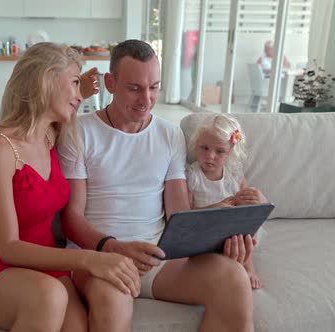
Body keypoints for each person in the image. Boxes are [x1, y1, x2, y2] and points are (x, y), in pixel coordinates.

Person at [59, 39, 255, 331]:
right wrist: (114, 248)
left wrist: (219, 237)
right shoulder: (80, 131)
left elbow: (179, 213)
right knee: (113, 303)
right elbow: (71, 218)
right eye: (135, 88)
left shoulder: (169, 134)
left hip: (157, 257)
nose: (146, 99)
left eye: (154, 87)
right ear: (110, 83)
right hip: (102, 258)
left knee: (233, 278)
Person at [0, 42, 141, 332]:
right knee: (50, 296)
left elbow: (64, 108)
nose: (79, 96)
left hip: (45, 261)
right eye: (74, 83)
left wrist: (82, 89)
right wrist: (90, 259)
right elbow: (8, 248)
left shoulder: (50, 134)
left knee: (77, 326)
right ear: (46, 80)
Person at [185, 113, 268, 289]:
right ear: (196, 145)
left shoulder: (234, 174)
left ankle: (248, 267)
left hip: (232, 230)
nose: (210, 156)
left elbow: (252, 206)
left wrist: (260, 200)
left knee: (245, 230)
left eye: (219, 151)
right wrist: (215, 208)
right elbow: (185, 215)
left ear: (230, 152)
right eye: (204, 148)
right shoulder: (192, 175)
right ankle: (225, 263)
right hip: (206, 228)